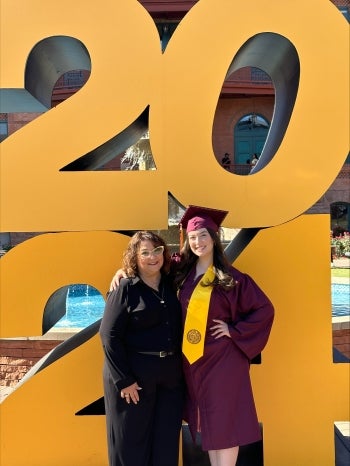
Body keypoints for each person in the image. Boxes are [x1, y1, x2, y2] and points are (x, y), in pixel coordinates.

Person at [110, 206, 274, 466]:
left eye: (203, 236)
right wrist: (123, 272)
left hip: (223, 361)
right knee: (210, 423)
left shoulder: (230, 277)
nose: (198, 242)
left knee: (225, 423)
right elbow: (148, 264)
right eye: (193, 236)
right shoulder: (181, 271)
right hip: (193, 363)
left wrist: (234, 331)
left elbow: (264, 310)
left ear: (214, 237)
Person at [100, 231, 184, 466]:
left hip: (170, 380)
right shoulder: (125, 287)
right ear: (134, 257)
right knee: (131, 449)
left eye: (156, 250)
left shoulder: (171, 281)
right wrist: (124, 380)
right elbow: (108, 336)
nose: (152, 257)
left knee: (166, 447)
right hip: (133, 379)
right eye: (144, 252)